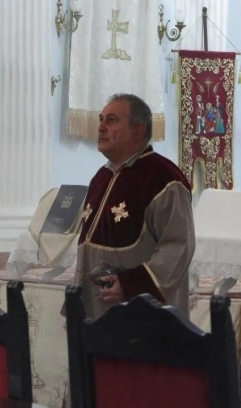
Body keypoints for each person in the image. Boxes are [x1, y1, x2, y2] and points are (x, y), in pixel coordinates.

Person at [76, 93, 195, 319]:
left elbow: (178, 246)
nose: (101, 128)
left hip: (144, 315)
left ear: (138, 129)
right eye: (101, 120)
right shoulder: (101, 177)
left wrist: (131, 285)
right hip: (98, 313)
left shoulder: (164, 178)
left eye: (111, 120)